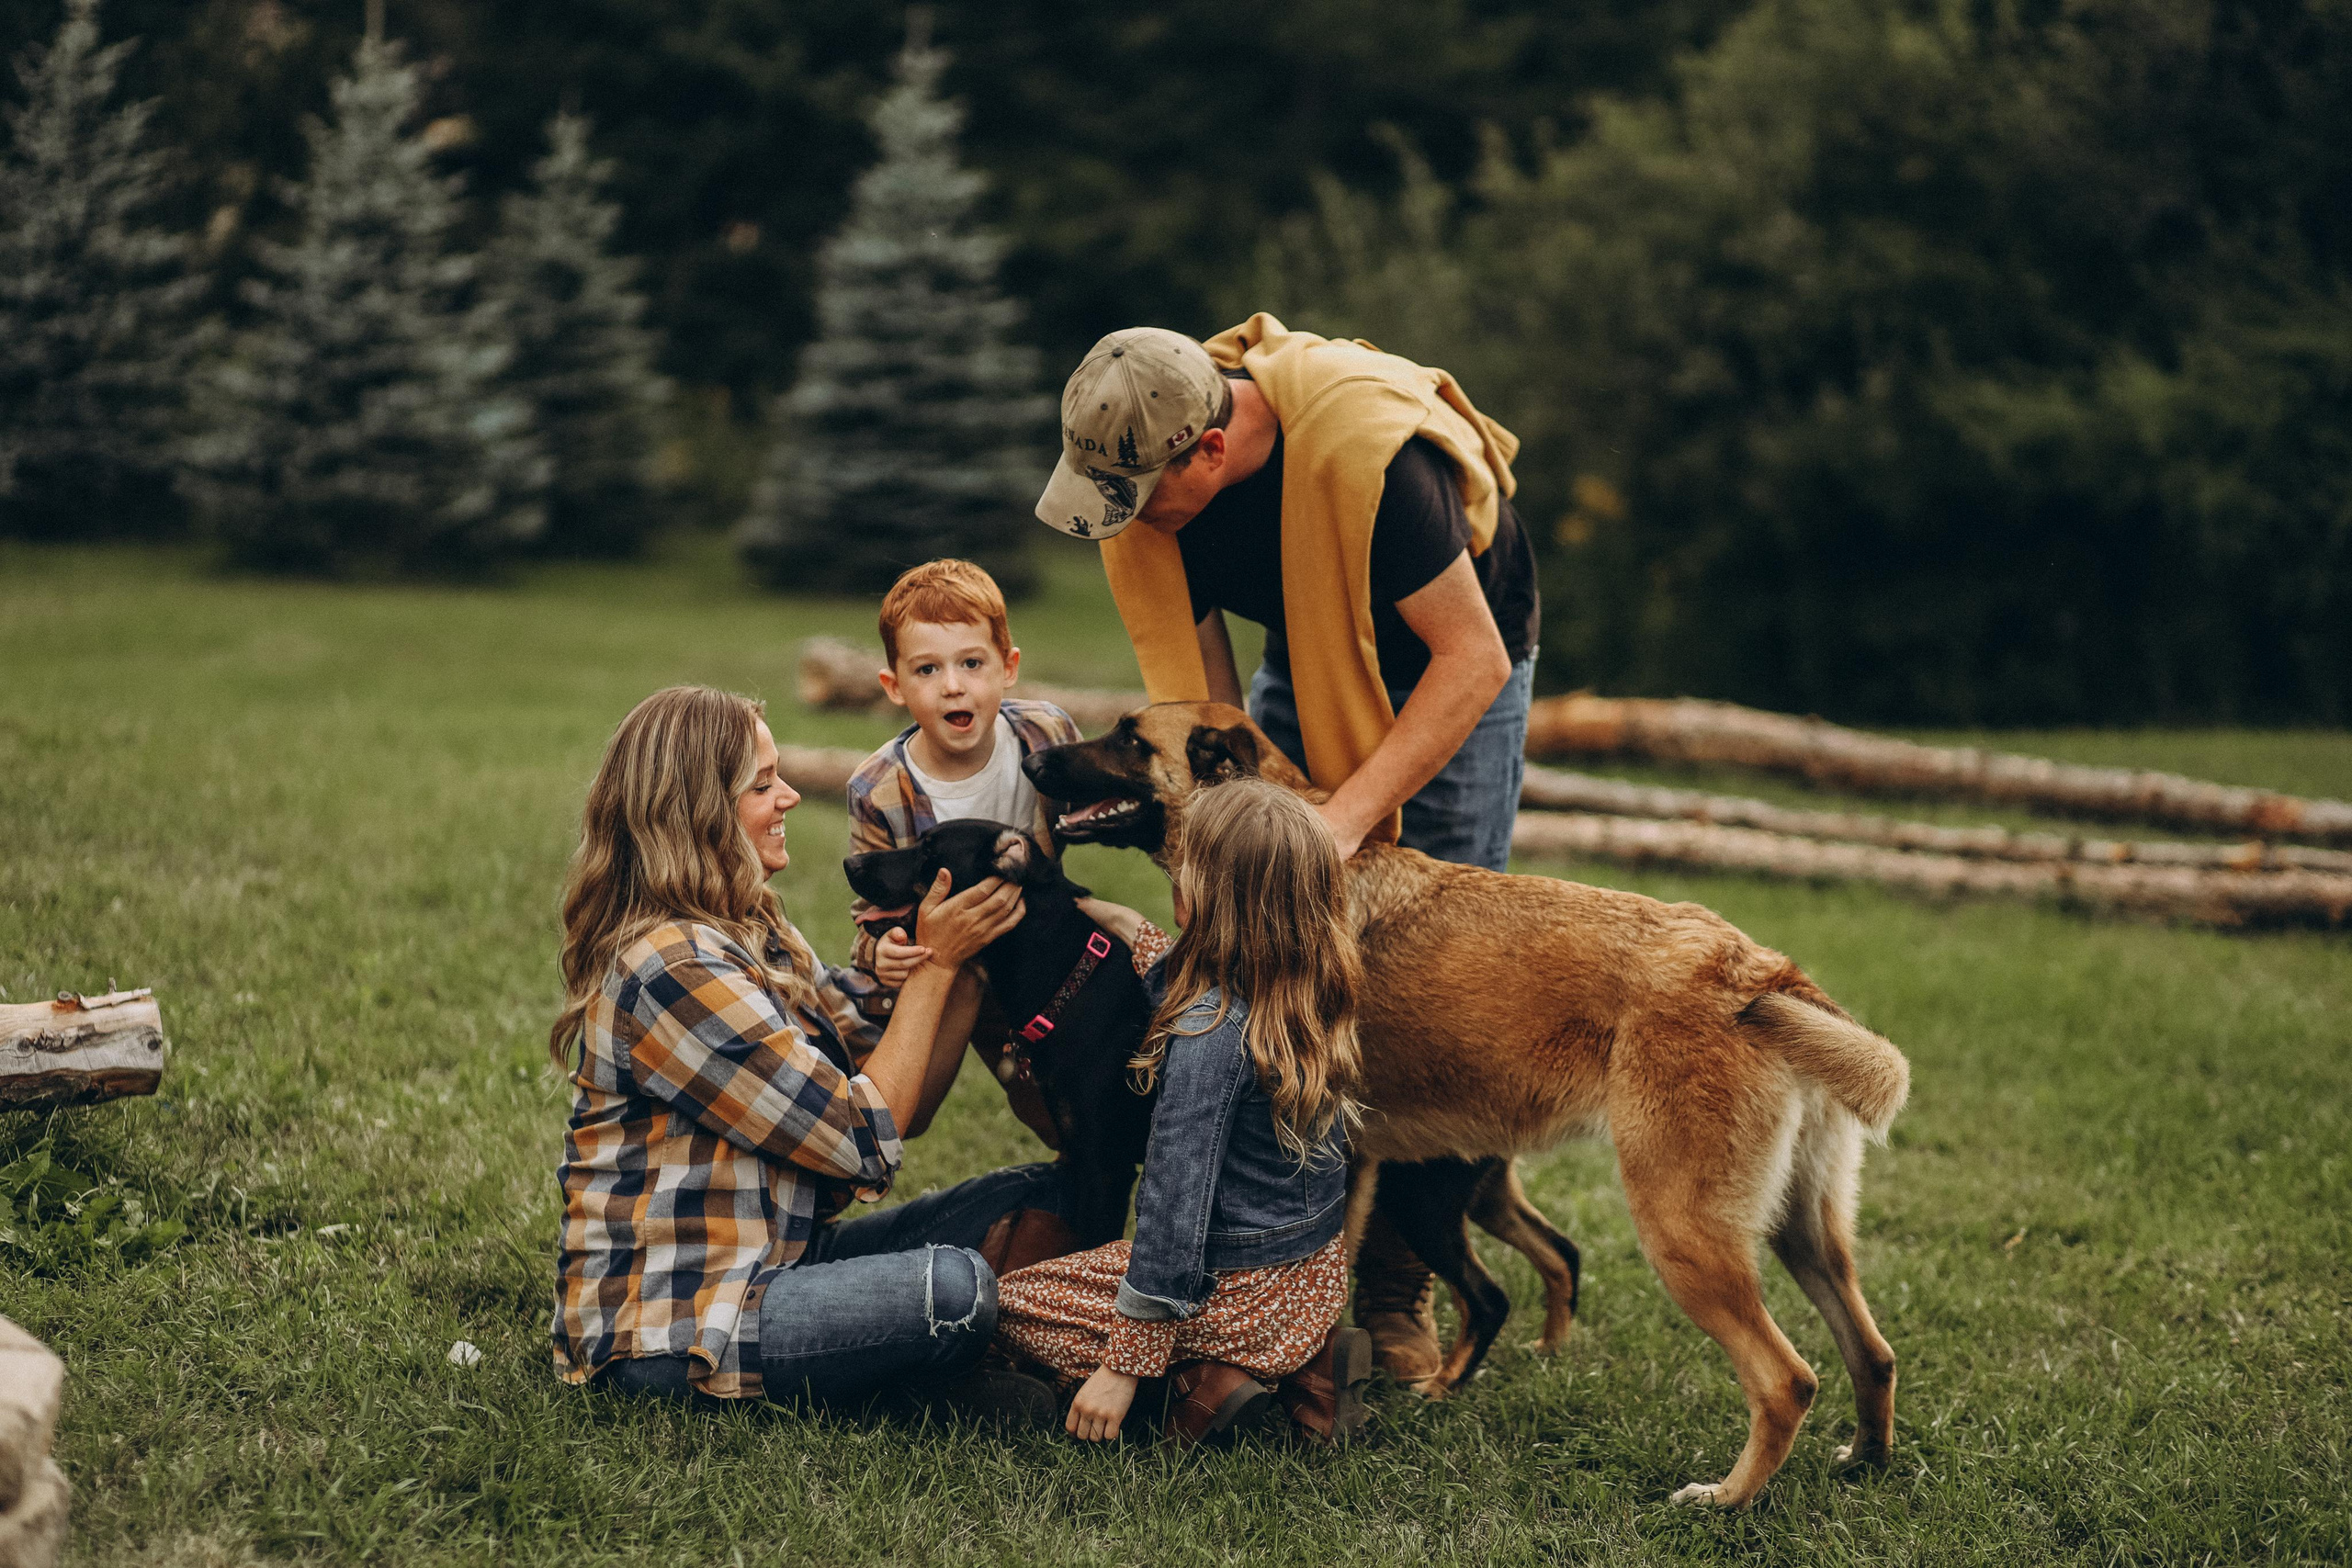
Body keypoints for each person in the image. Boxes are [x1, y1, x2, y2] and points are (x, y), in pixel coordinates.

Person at [1035, 315, 1541, 1384]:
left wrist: (1338, 824)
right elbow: (1204, 712)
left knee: (1427, 981)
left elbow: (1473, 660)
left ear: (1210, 451)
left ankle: (1396, 1287)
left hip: (1454, 659)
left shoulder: (1378, 467)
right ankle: (1274, 1255)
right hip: (1315, 643)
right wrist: (1213, 861)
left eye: (1139, 499)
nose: (1125, 522)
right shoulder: (1154, 466)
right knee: (1263, 951)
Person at [547, 684, 1066, 1413]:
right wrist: (938, 965)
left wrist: (967, 963)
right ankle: (920, 1382)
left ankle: (936, 1368)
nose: (790, 795)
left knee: (1043, 1196)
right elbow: (862, 1134)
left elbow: (893, 1084)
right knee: (952, 1291)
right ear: (699, 812)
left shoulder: (751, 926)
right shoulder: (672, 968)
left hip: (782, 1264)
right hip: (675, 1325)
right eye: (763, 784)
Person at [990, 778, 1374, 1446]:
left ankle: (1205, 1381)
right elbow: (1191, 975)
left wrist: (1126, 1361)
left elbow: (1173, 1208)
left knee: (1006, 1306)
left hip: (1230, 1296)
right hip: (1309, 1281)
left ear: (1203, 895)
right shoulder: (1313, 987)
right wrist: (1132, 929)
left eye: (1184, 865)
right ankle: (1308, 1364)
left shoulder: (1208, 1034)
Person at [840, 559, 1080, 1209]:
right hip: (955, 968)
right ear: (893, 686)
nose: (953, 686)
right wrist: (886, 951)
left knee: (1058, 1107)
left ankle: (1081, 1192)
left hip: (1041, 953)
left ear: (1008, 666)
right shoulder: (879, 789)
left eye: (972, 663)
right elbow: (873, 917)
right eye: (927, 670)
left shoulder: (1046, 734)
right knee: (908, 1110)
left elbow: (1085, 818)